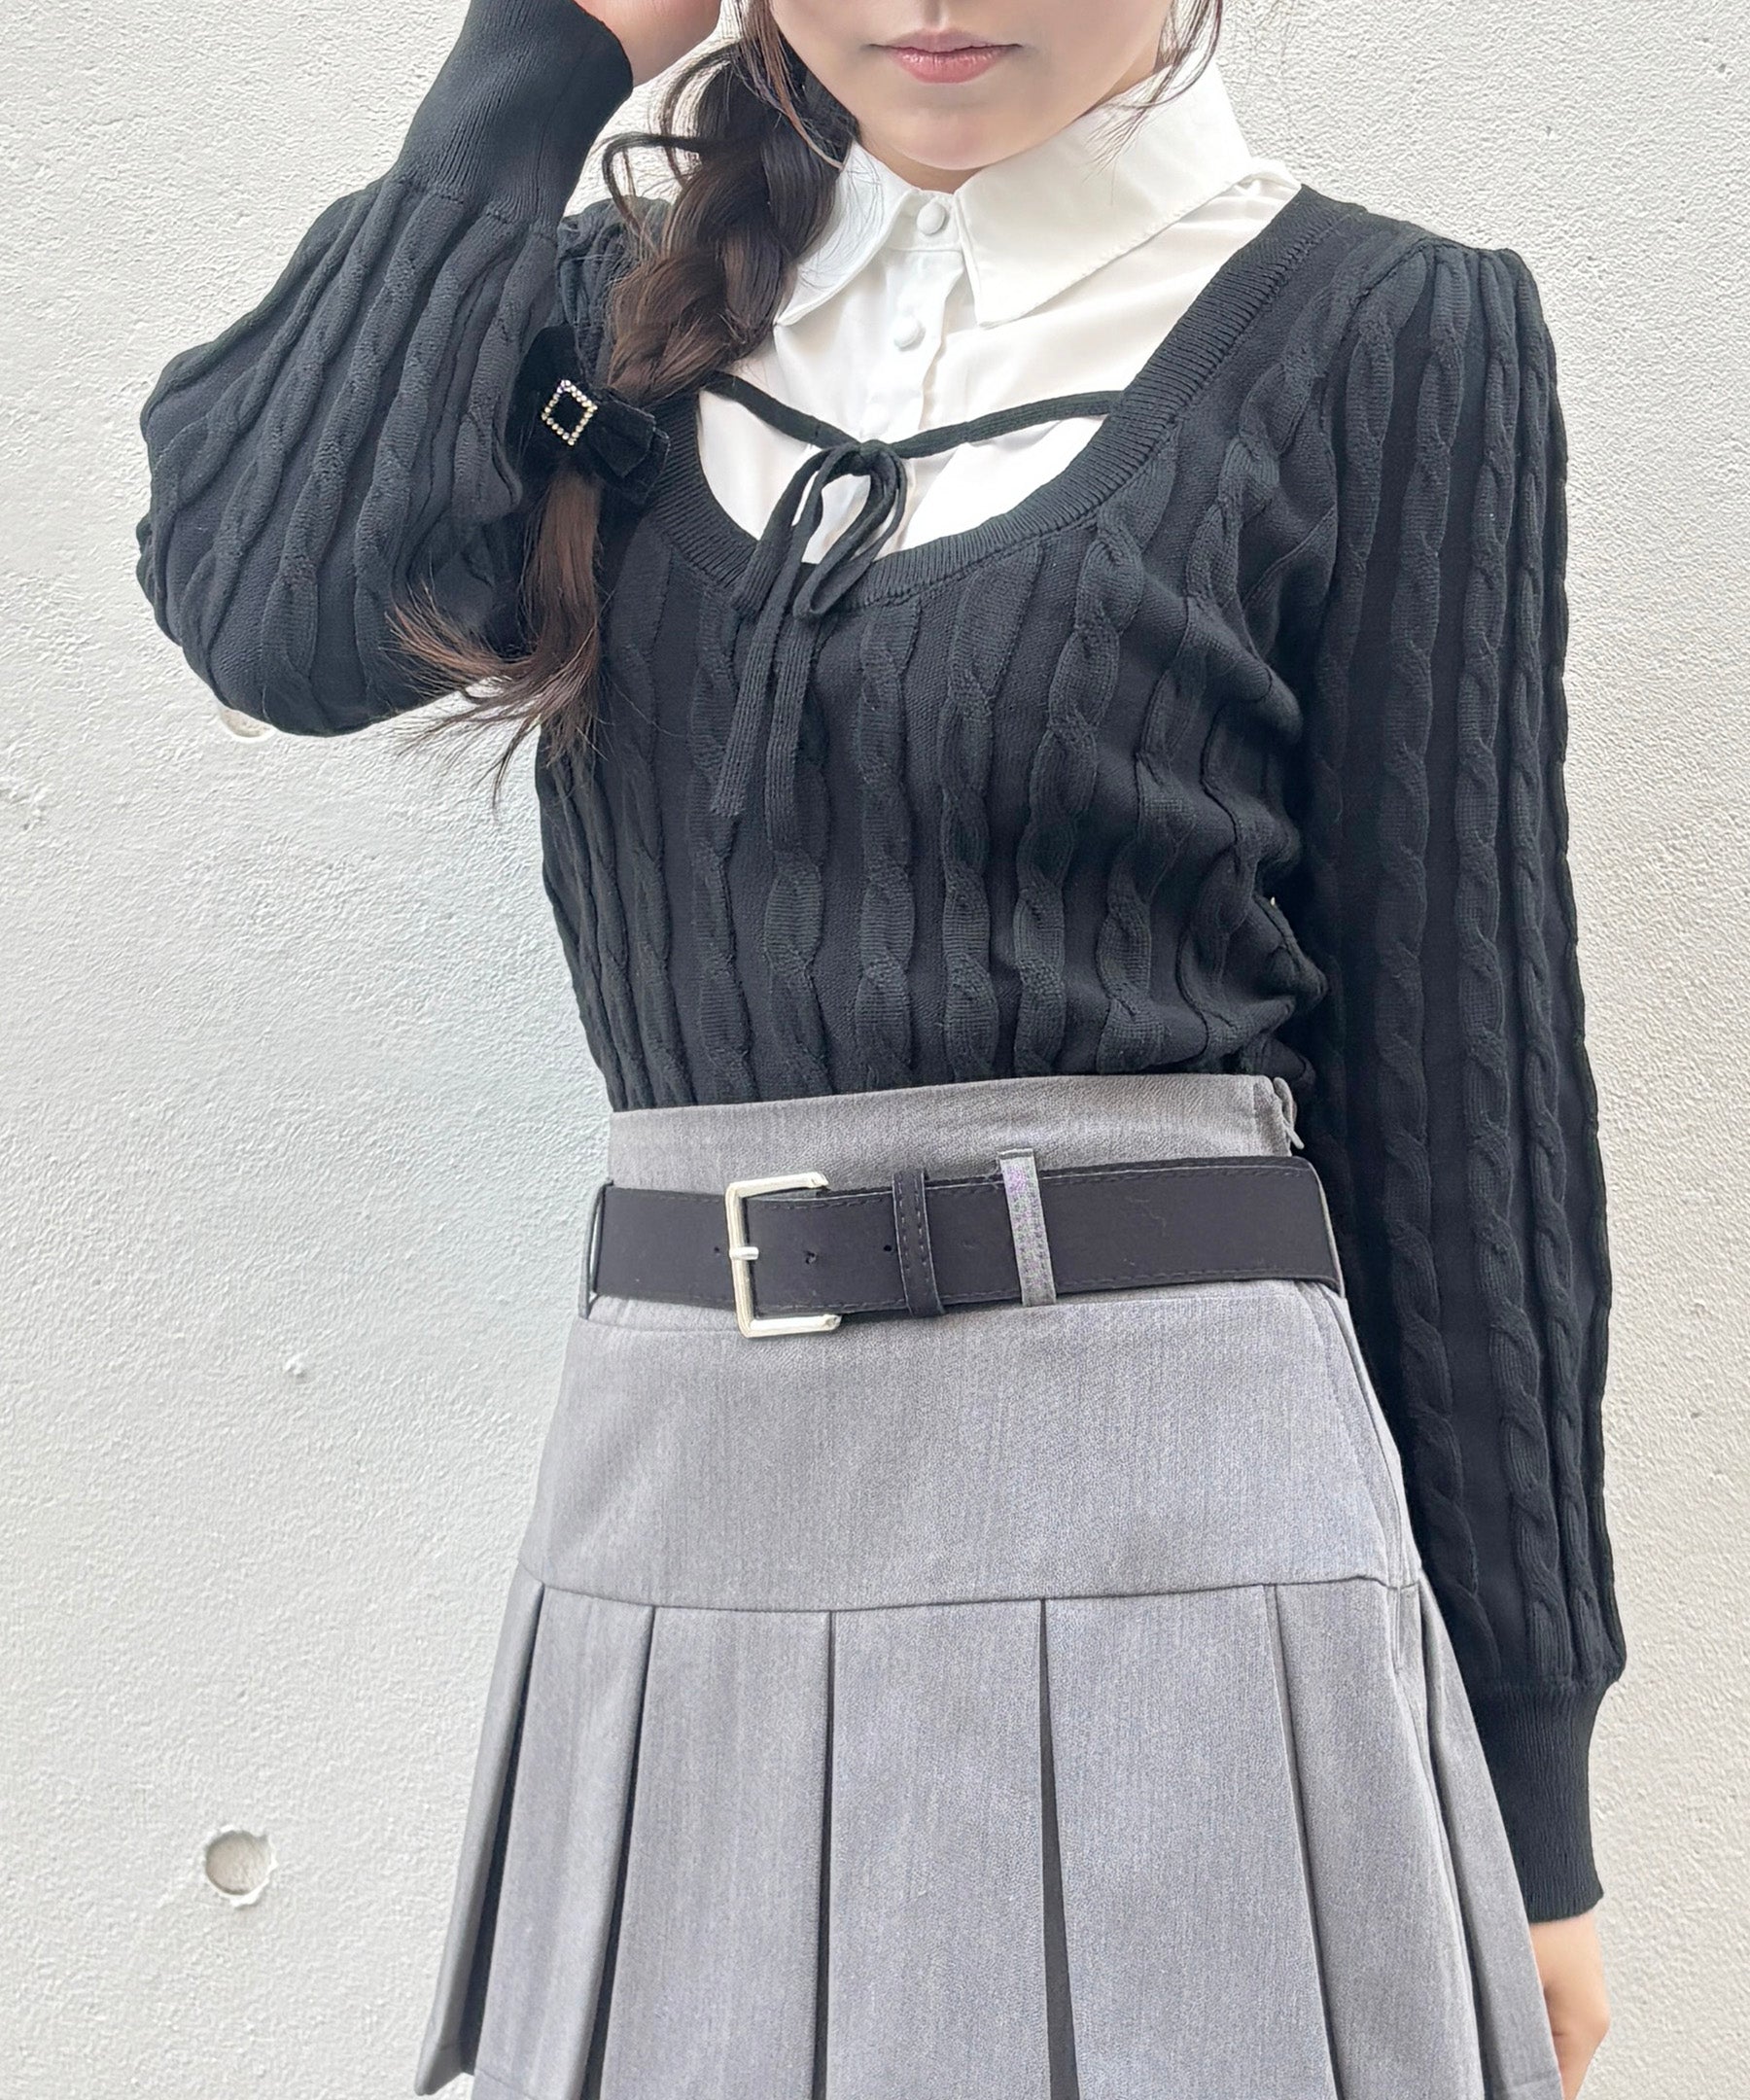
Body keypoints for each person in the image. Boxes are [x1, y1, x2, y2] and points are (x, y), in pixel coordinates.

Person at [133, 1, 1625, 2094]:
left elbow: (1468, 1091)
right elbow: (259, 600)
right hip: (687, 1534)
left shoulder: (1390, 332)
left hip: (1192, 1547)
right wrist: (553, 50)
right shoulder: (604, 321)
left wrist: (1534, 1804)